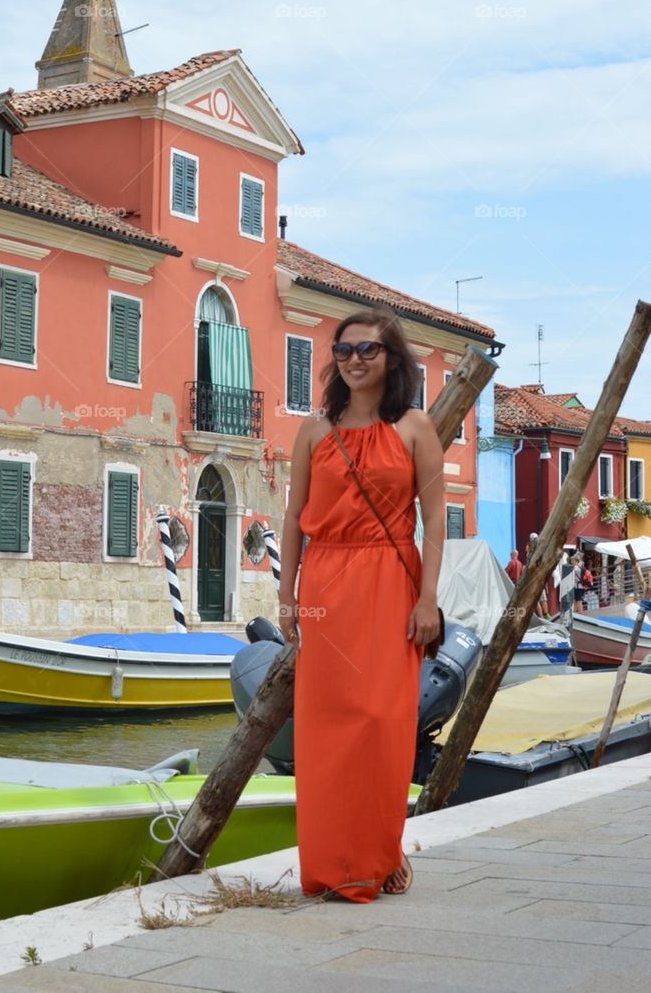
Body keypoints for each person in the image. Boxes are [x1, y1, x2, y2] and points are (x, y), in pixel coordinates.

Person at [278, 306, 444, 901]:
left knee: (383, 722)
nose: (354, 360)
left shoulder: (416, 428)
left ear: (391, 358)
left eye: (367, 350)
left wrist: (429, 599)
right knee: (326, 727)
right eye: (344, 351)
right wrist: (288, 596)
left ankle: (381, 853)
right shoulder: (313, 430)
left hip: (390, 579)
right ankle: (331, 867)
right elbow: (295, 520)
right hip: (325, 583)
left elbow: (434, 520)